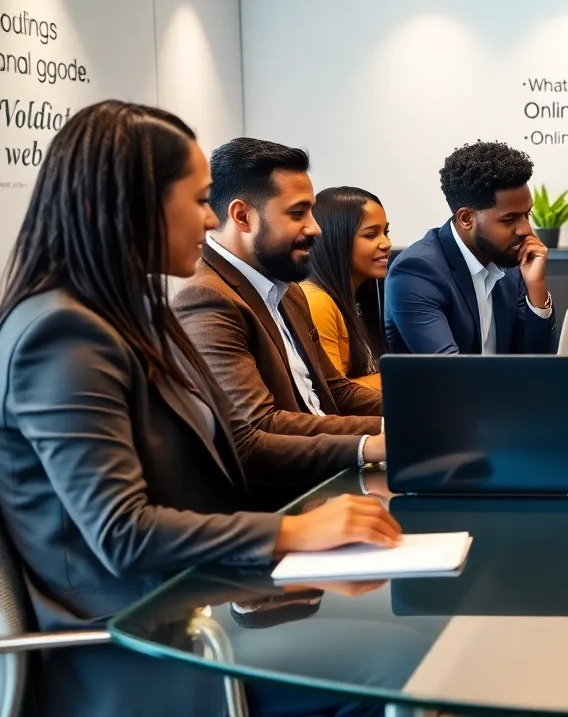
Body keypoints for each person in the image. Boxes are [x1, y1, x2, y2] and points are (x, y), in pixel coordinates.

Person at [0, 100, 403, 717]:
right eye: (197, 201)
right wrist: (294, 533)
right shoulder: (62, 336)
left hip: (197, 603)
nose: (211, 218)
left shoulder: (128, 313)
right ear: (130, 208)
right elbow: (122, 532)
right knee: (391, 665)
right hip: (137, 647)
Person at [173, 138, 384, 477]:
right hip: (286, 497)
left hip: (334, 472)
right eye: (297, 213)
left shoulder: (287, 290)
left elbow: (333, 390)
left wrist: (412, 412)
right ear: (242, 216)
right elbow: (259, 427)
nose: (315, 228)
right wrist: (373, 440)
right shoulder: (206, 299)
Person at [384, 141, 554, 355]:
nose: (525, 229)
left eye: (527, 215)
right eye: (509, 219)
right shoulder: (417, 271)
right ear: (466, 218)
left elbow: (538, 363)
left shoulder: (510, 264)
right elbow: (451, 372)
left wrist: (536, 287)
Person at [301, 186, 391, 390]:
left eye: (385, 232)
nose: (386, 243)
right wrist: (402, 377)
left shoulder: (357, 298)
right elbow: (332, 393)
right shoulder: (317, 300)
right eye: (371, 235)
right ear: (336, 240)